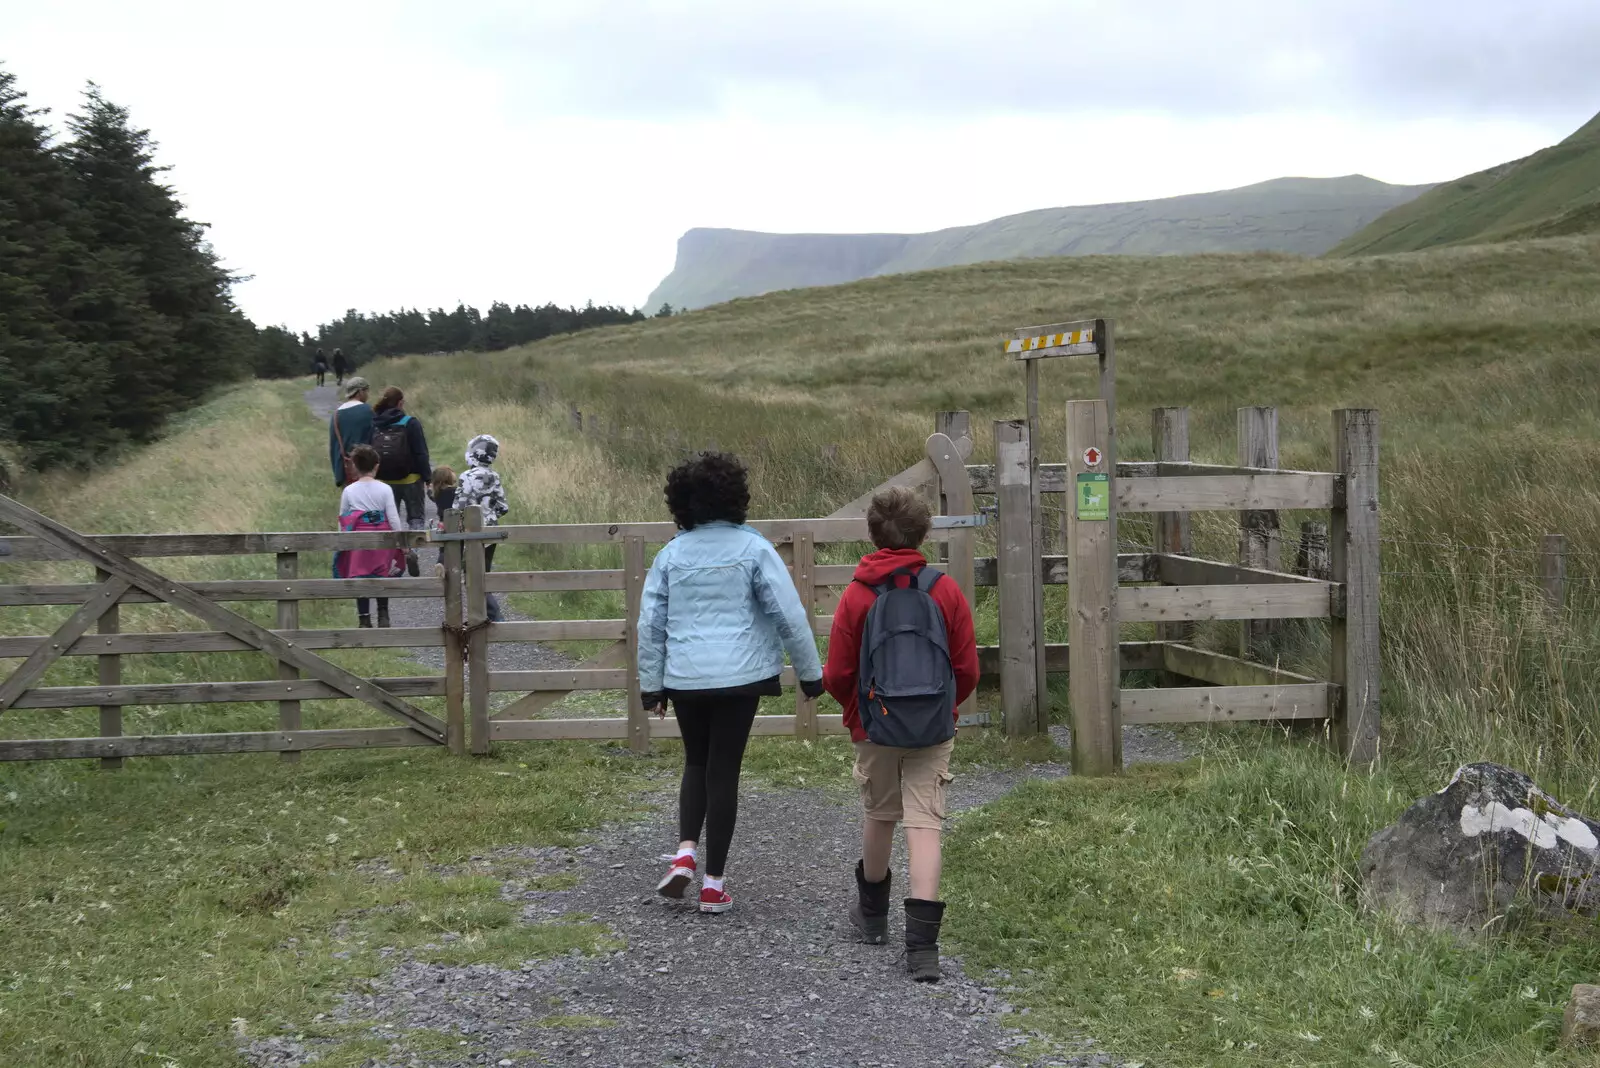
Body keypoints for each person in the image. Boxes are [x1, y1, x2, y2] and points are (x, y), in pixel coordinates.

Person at [640, 453, 825, 915]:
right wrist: (810, 673)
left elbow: (650, 623)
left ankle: (684, 850)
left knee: (695, 762)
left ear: (681, 503)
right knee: (725, 770)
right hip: (741, 677)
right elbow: (789, 614)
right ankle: (713, 885)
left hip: (684, 678)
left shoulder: (670, 555)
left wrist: (651, 686)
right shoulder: (753, 548)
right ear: (736, 497)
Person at [822, 486, 979, 982]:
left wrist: (859, 712)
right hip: (932, 724)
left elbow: (839, 674)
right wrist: (943, 707)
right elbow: (967, 668)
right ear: (924, 533)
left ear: (871, 534)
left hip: (874, 723)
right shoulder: (944, 590)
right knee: (925, 822)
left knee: (879, 813)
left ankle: (872, 916)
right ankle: (922, 949)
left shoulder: (857, 593)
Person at [334, 444, 405, 628]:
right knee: (382, 573)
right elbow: (393, 518)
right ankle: (383, 614)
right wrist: (401, 541)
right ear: (377, 466)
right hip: (381, 536)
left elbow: (344, 518)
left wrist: (342, 540)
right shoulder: (385, 489)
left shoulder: (349, 490)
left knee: (360, 576)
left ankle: (364, 618)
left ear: (355, 466)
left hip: (358, 537)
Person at [371, 386, 432, 577]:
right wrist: (428, 478)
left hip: (384, 481)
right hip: (411, 479)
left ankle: (391, 561)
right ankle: (412, 551)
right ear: (400, 403)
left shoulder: (375, 423)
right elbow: (421, 452)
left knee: (389, 521)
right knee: (415, 519)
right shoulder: (410, 423)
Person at [456, 434, 509, 622]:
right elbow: (503, 506)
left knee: (471, 575)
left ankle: (492, 616)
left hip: (471, 532)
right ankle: (480, 616)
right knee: (484, 573)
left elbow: (458, 507)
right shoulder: (495, 476)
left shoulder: (466, 477)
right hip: (492, 533)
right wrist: (490, 516)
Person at [328, 377, 374, 489]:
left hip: (346, 471)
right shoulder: (368, 411)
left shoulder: (336, 415)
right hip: (367, 470)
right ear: (360, 392)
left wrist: (338, 475)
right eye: (366, 391)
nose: (367, 394)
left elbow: (334, 447)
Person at [428, 465, 457, 577]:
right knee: (456, 547)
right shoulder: (455, 492)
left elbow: (430, 495)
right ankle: (454, 570)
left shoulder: (437, 493)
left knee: (443, 549)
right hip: (454, 523)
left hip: (442, 524)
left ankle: (440, 564)